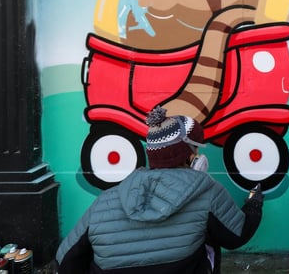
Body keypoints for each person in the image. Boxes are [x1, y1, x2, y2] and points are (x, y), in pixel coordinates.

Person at [56, 106, 264, 273]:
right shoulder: (207, 191)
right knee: (209, 240)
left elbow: (65, 259)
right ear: (189, 155)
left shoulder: (106, 200)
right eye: (196, 148)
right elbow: (236, 236)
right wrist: (254, 203)